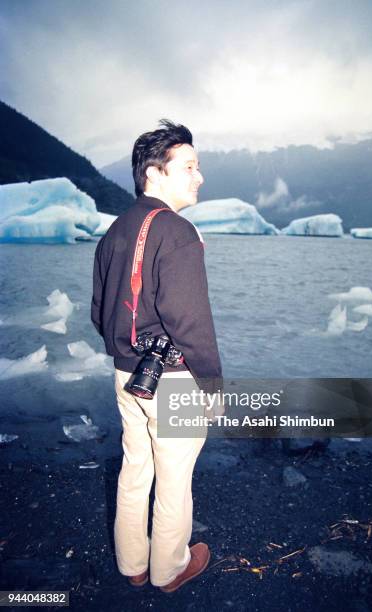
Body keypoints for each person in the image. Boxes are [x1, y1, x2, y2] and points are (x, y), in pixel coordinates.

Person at [91, 119, 222, 592]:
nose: (199, 176)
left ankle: (133, 565)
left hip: (127, 376)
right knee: (173, 479)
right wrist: (210, 384)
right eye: (189, 166)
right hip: (173, 381)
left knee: (135, 467)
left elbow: (98, 311)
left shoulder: (114, 232)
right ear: (155, 172)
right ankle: (169, 570)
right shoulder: (178, 232)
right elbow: (190, 320)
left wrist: (126, 352)